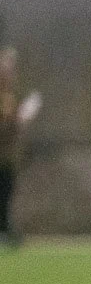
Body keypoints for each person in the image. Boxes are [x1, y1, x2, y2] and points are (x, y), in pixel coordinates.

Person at [0, 47, 39, 248]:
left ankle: (5, 229)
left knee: (7, 192)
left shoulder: (9, 96)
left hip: (8, 157)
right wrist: (20, 119)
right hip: (2, 156)